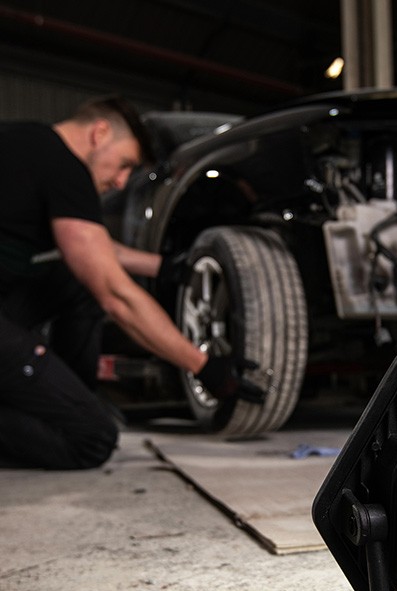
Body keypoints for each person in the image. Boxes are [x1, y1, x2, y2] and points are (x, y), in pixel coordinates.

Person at [0, 96, 251, 470]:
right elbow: (116, 295)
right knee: (92, 440)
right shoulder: (64, 167)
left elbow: (96, 250)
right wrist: (203, 366)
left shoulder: (28, 146)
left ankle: (72, 397)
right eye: (125, 165)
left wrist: (165, 267)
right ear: (100, 133)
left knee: (74, 281)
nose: (120, 182)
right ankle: (67, 412)